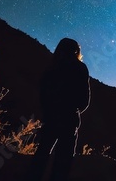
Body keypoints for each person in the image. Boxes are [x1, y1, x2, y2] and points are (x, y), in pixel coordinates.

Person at [26, 38, 90, 181]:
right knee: (64, 159)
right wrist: (76, 109)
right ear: (76, 51)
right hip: (69, 118)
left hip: (51, 116)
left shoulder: (52, 66)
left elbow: (43, 93)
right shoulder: (80, 68)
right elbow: (84, 98)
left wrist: (48, 109)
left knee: (43, 152)